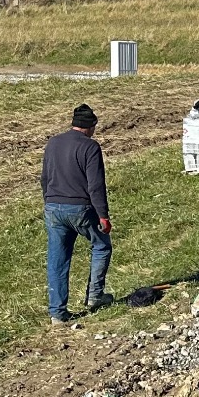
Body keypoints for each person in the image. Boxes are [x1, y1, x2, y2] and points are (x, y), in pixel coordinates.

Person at [41, 103, 114, 324]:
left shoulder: (53, 143)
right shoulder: (90, 147)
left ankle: (57, 314)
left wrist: (49, 201)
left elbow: (44, 178)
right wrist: (103, 215)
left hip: (53, 207)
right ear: (90, 126)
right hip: (80, 208)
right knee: (102, 245)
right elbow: (95, 185)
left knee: (58, 259)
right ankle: (95, 296)